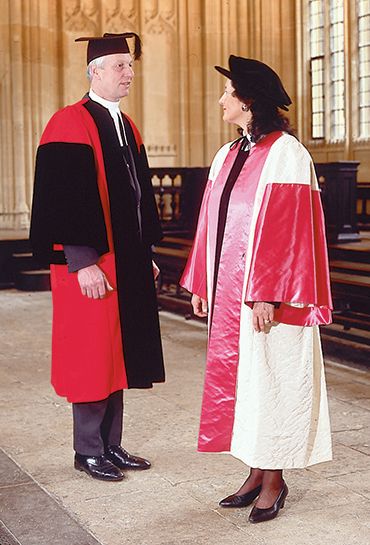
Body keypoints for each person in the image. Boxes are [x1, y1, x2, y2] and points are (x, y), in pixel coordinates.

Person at [180, 55, 332, 523]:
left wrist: (268, 291)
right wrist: (203, 279)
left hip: (271, 299)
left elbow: (289, 230)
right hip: (230, 295)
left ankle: (275, 480)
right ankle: (254, 469)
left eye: (229, 93)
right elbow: (212, 221)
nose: (222, 100)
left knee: (275, 379)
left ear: (249, 102)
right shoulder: (229, 154)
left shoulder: (287, 153)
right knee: (248, 385)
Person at [30, 32, 165, 482]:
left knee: (116, 354)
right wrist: (82, 260)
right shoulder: (69, 122)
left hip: (122, 261)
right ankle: (87, 449)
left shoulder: (127, 126)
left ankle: (111, 445)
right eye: (120, 66)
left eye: (130, 66)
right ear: (95, 71)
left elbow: (137, 198)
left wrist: (143, 252)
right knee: (91, 355)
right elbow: (60, 200)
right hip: (88, 264)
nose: (129, 73)